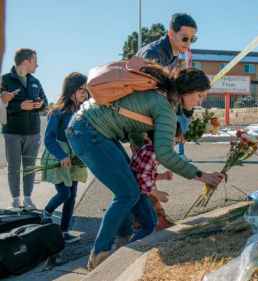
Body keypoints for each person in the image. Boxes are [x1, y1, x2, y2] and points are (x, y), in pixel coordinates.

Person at [66, 65, 224, 270]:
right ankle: (100, 255)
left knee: (144, 213)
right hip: (89, 132)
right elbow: (166, 154)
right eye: (199, 95)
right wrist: (202, 176)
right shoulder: (165, 107)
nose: (200, 101)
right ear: (186, 91)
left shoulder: (160, 96)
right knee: (127, 194)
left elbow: (133, 124)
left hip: (94, 130)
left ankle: (124, 246)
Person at [136, 13, 198, 160]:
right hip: (138, 123)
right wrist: (173, 128)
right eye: (185, 38)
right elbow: (150, 96)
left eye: (192, 39)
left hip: (148, 122)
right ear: (171, 34)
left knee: (147, 178)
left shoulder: (173, 56)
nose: (188, 44)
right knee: (140, 179)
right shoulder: (153, 55)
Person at [40, 72, 89, 244]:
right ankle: (46, 212)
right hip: (58, 155)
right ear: (71, 90)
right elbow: (49, 138)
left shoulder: (83, 110)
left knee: (72, 195)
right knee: (64, 193)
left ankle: (64, 231)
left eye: (86, 89)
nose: (85, 92)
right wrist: (61, 155)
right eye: (81, 89)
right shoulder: (58, 111)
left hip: (74, 156)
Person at [1, 48, 48, 209]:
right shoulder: (5, 80)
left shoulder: (35, 81)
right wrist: (19, 106)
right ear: (26, 61)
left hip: (33, 133)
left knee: (29, 167)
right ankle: (15, 200)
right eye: (35, 61)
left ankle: (27, 199)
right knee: (13, 167)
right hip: (12, 133)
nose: (37, 65)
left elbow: (45, 104)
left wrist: (40, 105)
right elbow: (1, 107)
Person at [129, 130, 175, 240]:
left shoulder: (151, 149)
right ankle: (130, 246)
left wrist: (162, 176)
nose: (174, 145)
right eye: (173, 142)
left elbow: (147, 174)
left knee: (148, 221)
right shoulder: (151, 151)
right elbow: (143, 177)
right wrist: (157, 194)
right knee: (148, 225)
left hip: (138, 189)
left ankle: (156, 222)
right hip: (136, 190)